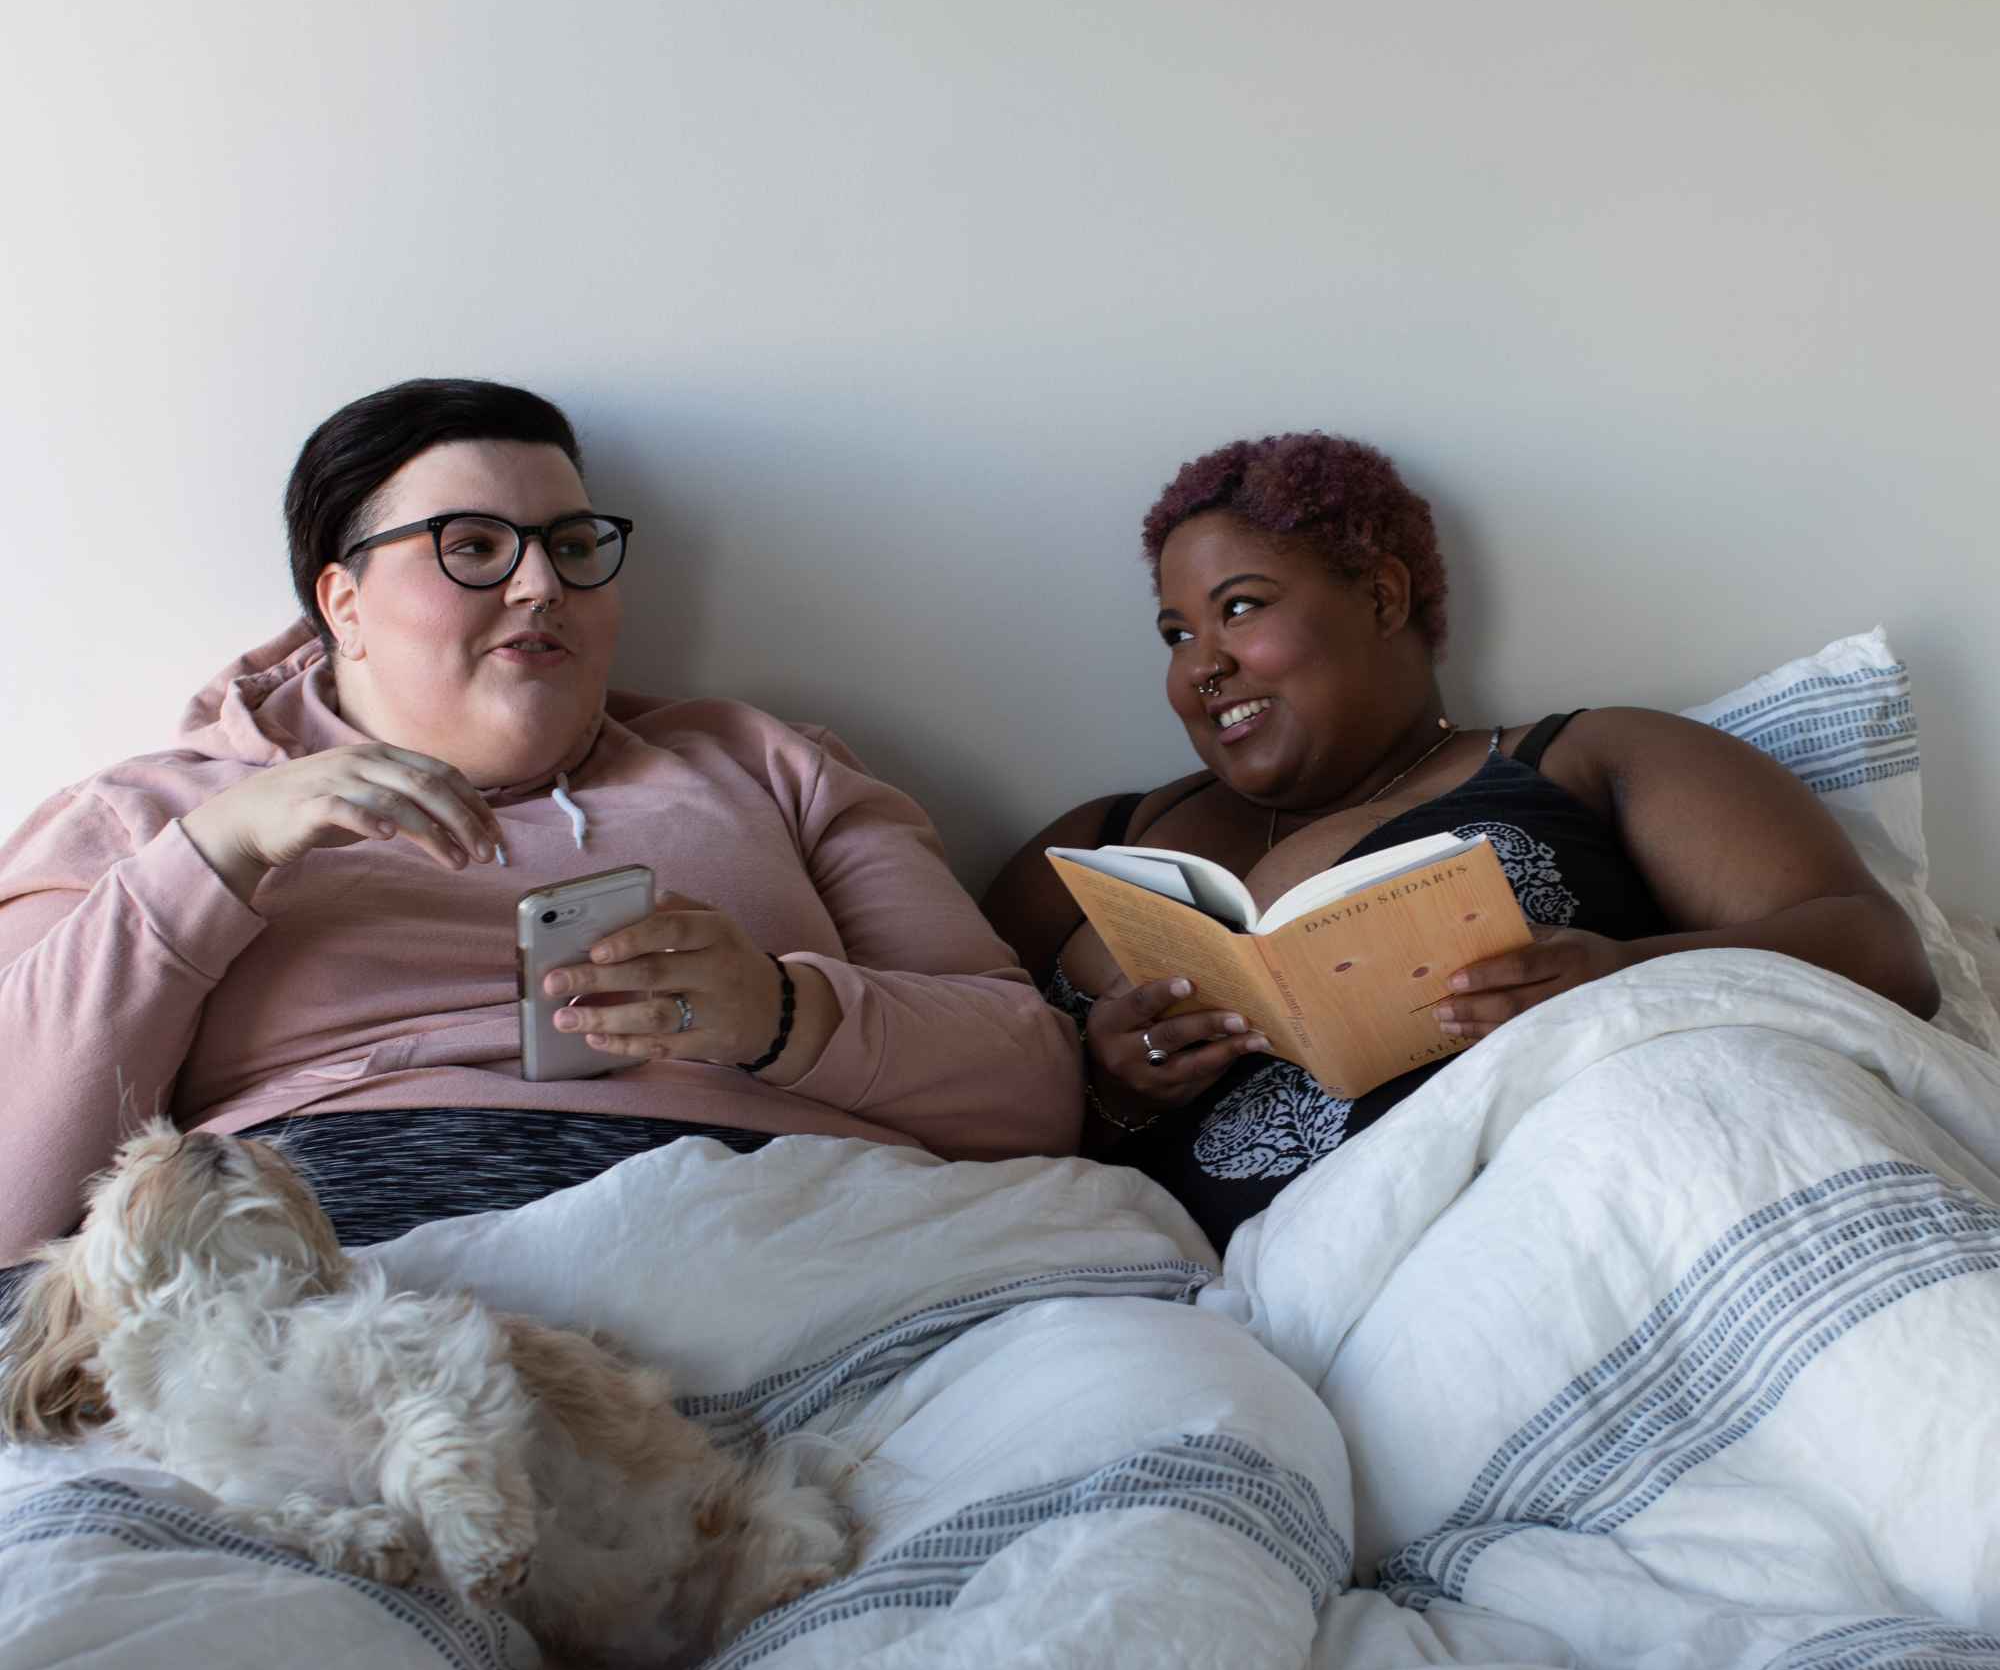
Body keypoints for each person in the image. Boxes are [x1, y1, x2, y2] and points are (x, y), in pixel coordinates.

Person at [0, 378, 1081, 1262]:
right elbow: (13, 1199)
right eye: (472, 546)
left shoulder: (768, 765)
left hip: (802, 1237)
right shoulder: (152, 814)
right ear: (342, 604)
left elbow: (1034, 1093)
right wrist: (216, 856)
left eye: (570, 545)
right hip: (345, 1281)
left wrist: (781, 1013)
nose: (539, 583)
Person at [982, 433, 1938, 1254]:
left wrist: (1628, 976)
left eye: (1240, 608)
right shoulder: (1102, 845)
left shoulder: (1588, 757)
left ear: (1384, 598)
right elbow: (909, 1090)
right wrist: (1109, 1092)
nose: (1203, 665)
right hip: (1206, 1309)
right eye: (1174, 633)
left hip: (1566, 1222)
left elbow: (1882, 956)